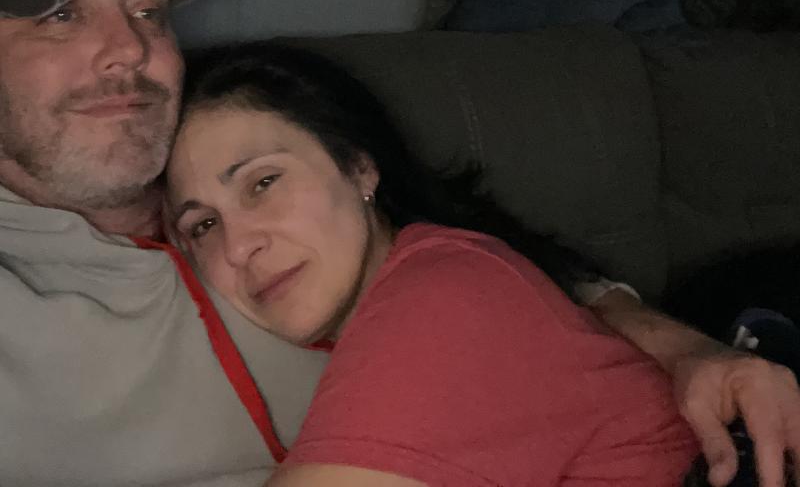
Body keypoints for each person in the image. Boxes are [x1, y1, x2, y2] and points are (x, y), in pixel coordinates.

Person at [0, 0, 797, 487]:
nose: (127, 49)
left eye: (149, 12)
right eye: (59, 15)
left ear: (360, 168)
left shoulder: (227, 165)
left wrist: (674, 342)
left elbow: (481, 275)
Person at [169, 40, 700, 486]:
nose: (238, 248)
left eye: (263, 182)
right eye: (204, 226)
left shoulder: (442, 297)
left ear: (359, 167)